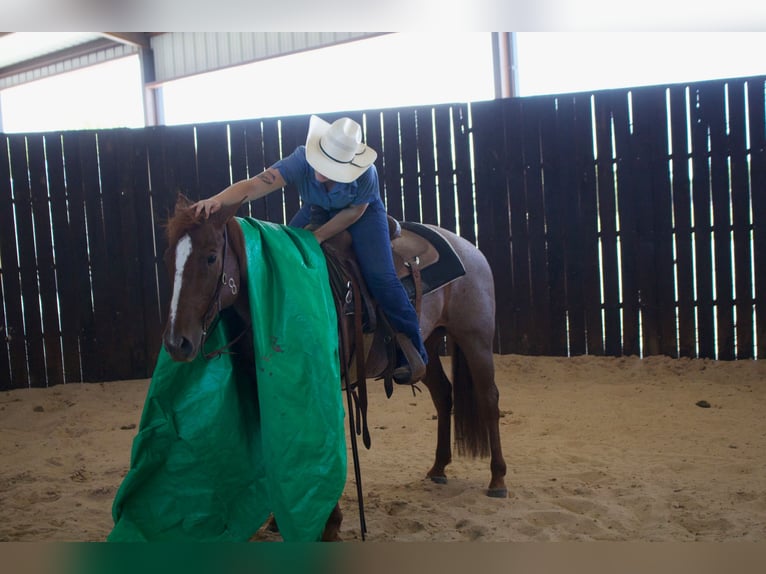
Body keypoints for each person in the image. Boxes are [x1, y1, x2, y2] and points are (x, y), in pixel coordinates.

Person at [193, 115, 427, 384]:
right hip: (317, 208)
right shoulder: (300, 160)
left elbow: (355, 211)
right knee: (282, 257)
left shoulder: (366, 174)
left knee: (382, 278)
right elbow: (255, 184)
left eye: (332, 166)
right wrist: (216, 201)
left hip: (362, 215)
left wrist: (317, 236)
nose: (321, 169)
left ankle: (413, 349)